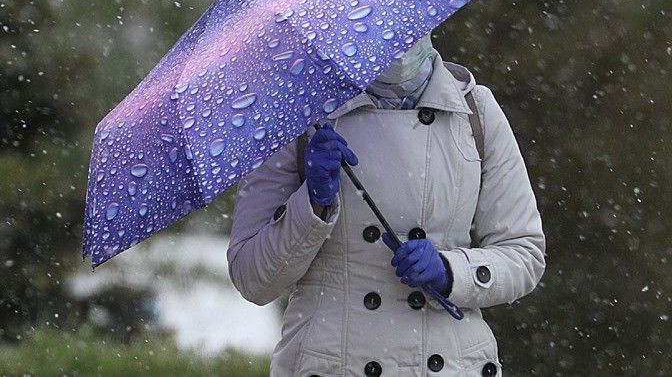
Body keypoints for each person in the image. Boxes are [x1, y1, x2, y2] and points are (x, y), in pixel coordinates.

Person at [227, 34, 545, 376]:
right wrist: (312, 203)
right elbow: (253, 279)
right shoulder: (299, 114)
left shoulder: (476, 111)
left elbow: (524, 254)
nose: (396, 41)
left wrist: (451, 271)